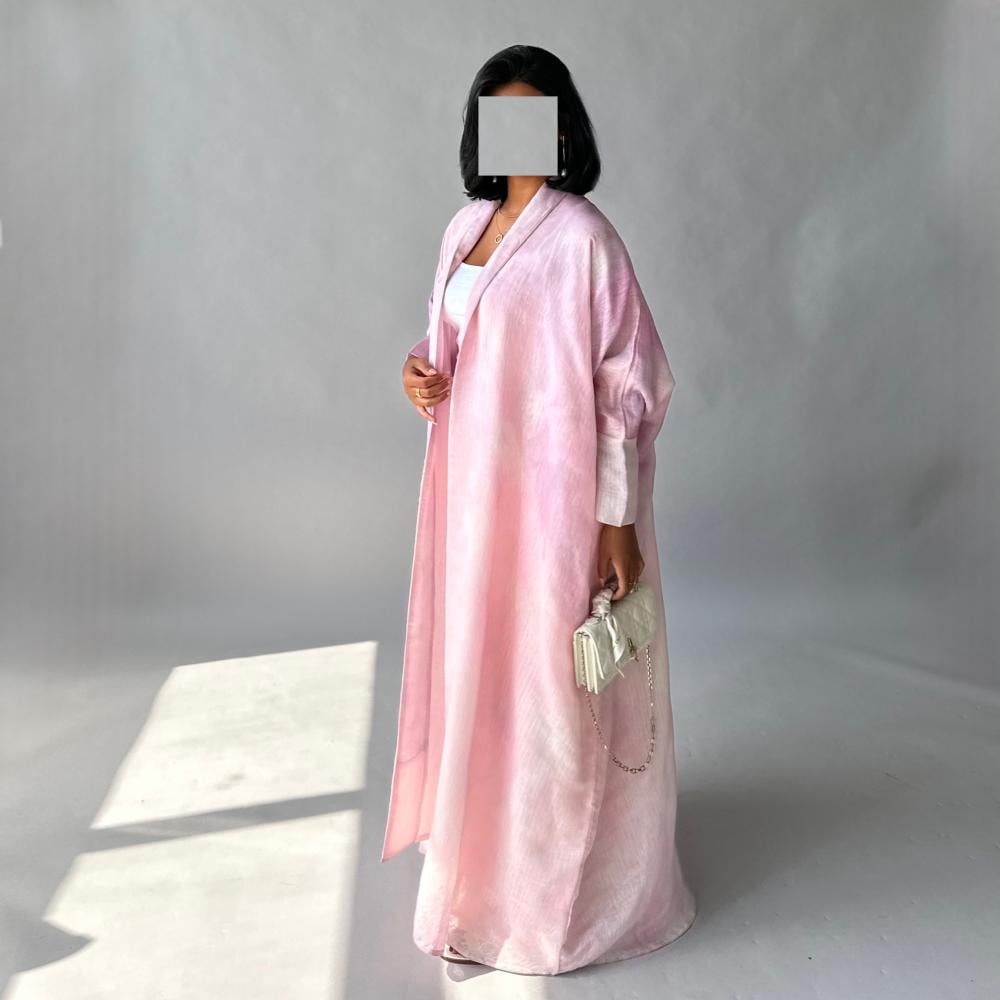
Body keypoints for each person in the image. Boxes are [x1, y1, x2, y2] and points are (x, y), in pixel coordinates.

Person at [382, 44, 698, 976]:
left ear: (561, 131)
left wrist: (615, 519)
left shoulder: (584, 239)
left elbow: (629, 384)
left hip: (556, 506)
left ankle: (565, 894)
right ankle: (482, 871)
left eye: (534, 115)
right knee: (482, 675)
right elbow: (451, 337)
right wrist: (419, 374)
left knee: (555, 692)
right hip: (474, 503)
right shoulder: (463, 228)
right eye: (498, 117)